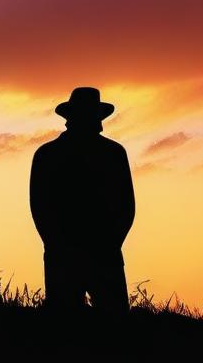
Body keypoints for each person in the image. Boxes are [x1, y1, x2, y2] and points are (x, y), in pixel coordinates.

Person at [30, 86, 136, 313]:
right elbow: (126, 207)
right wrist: (110, 244)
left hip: (74, 252)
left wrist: (56, 244)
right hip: (92, 251)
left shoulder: (47, 154)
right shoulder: (113, 154)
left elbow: (39, 207)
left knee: (67, 326)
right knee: (111, 324)